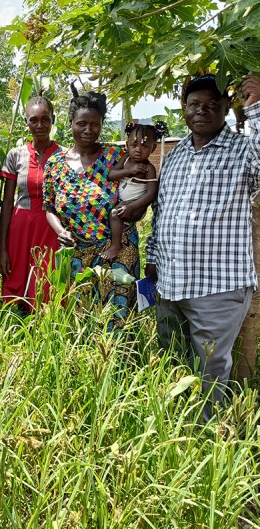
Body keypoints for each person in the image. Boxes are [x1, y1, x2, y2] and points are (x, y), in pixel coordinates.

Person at [145, 73, 260, 420]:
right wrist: (152, 259)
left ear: (226, 108)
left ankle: (208, 445)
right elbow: (161, 211)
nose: (202, 111)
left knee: (210, 375)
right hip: (169, 284)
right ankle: (173, 436)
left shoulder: (242, 149)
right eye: (194, 104)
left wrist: (255, 109)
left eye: (212, 104)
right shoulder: (177, 154)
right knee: (174, 366)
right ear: (184, 109)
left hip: (217, 287)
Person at [43, 85, 146, 325]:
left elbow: (142, 186)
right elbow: (48, 208)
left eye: (95, 124)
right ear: (70, 122)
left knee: (116, 318)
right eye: (81, 124)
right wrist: (61, 231)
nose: (88, 130)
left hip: (119, 249)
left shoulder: (116, 156)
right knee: (82, 320)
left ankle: (122, 363)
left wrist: (135, 209)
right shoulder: (55, 165)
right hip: (78, 253)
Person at [0, 95, 61, 311]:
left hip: (51, 229)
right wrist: (2, 248)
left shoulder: (64, 156)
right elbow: (6, 204)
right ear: (26, 122)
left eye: (45, 119)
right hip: (20, 228)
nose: (40, 125)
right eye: (33, 120)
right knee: (17, 283)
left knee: (46, 283)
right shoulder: (16, 156)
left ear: (53, 119)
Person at [102, 122, 166, 261]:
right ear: (127, 145)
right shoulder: (125, 159)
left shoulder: (149, 169)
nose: (138, 150)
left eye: (144, 146)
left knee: (114, 214)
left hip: (136, 206)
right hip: (123, 202)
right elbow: (111, 175)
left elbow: (151, 194)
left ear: (153, 148)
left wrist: (131, 206)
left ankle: (116, 246)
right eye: (134, 145)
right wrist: (129, 171)